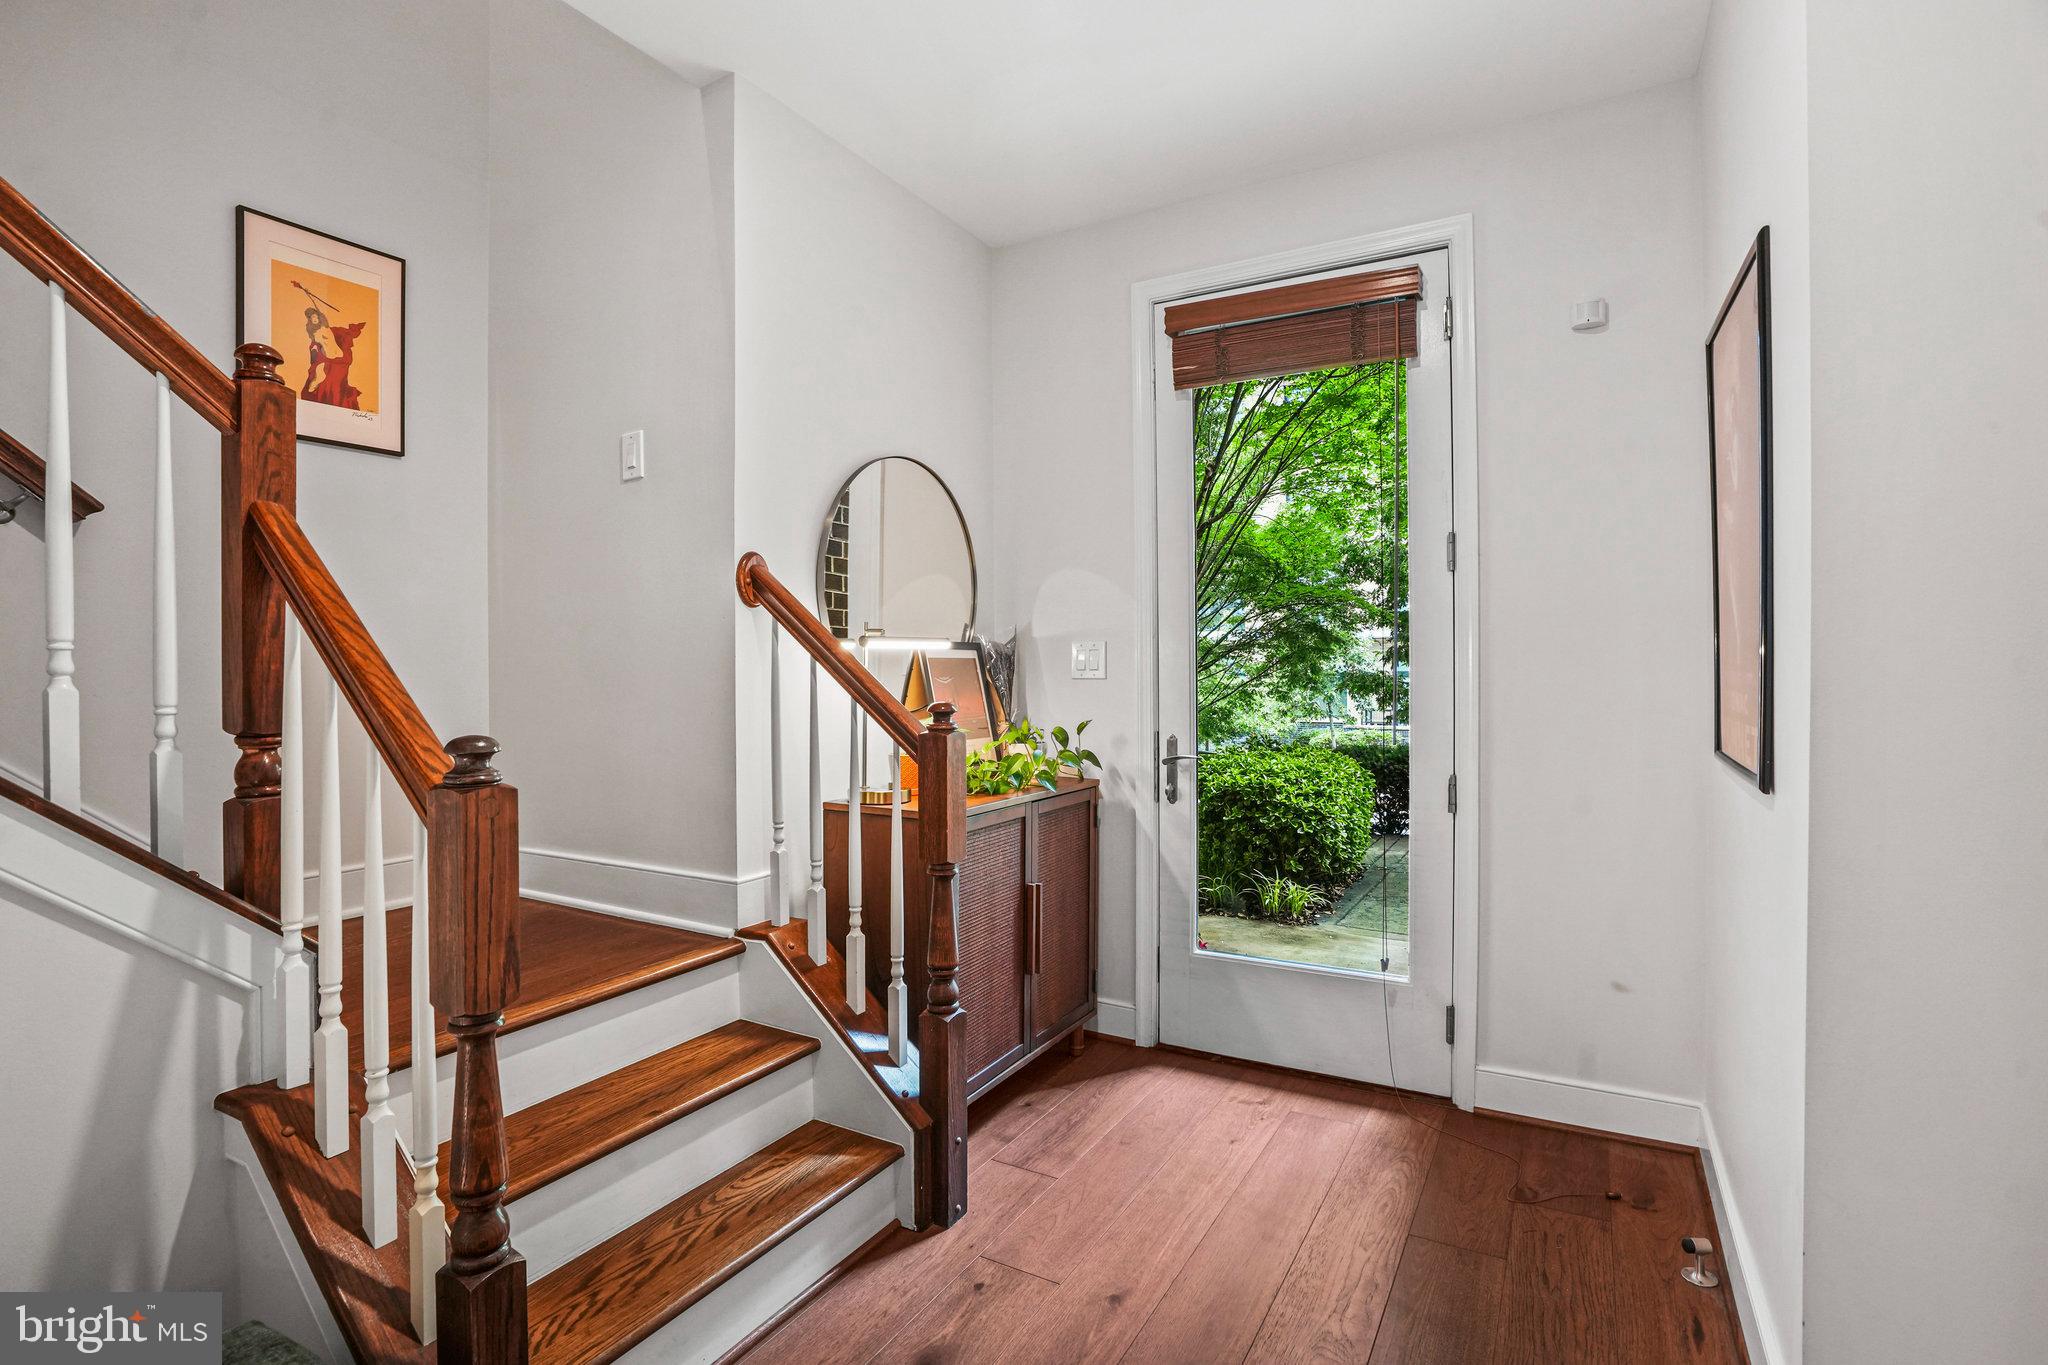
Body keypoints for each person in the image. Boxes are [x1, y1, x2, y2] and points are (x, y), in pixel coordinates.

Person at [298, 298, 366, 410]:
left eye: (315, 316)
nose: (314, 319)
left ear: (319, 317)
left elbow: (343, 335)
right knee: (326, 382)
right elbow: (315, 346)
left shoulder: (332, 330)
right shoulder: (313, 331)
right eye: (311, 317)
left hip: (340, 361)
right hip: (326, 359)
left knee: (337, 386)